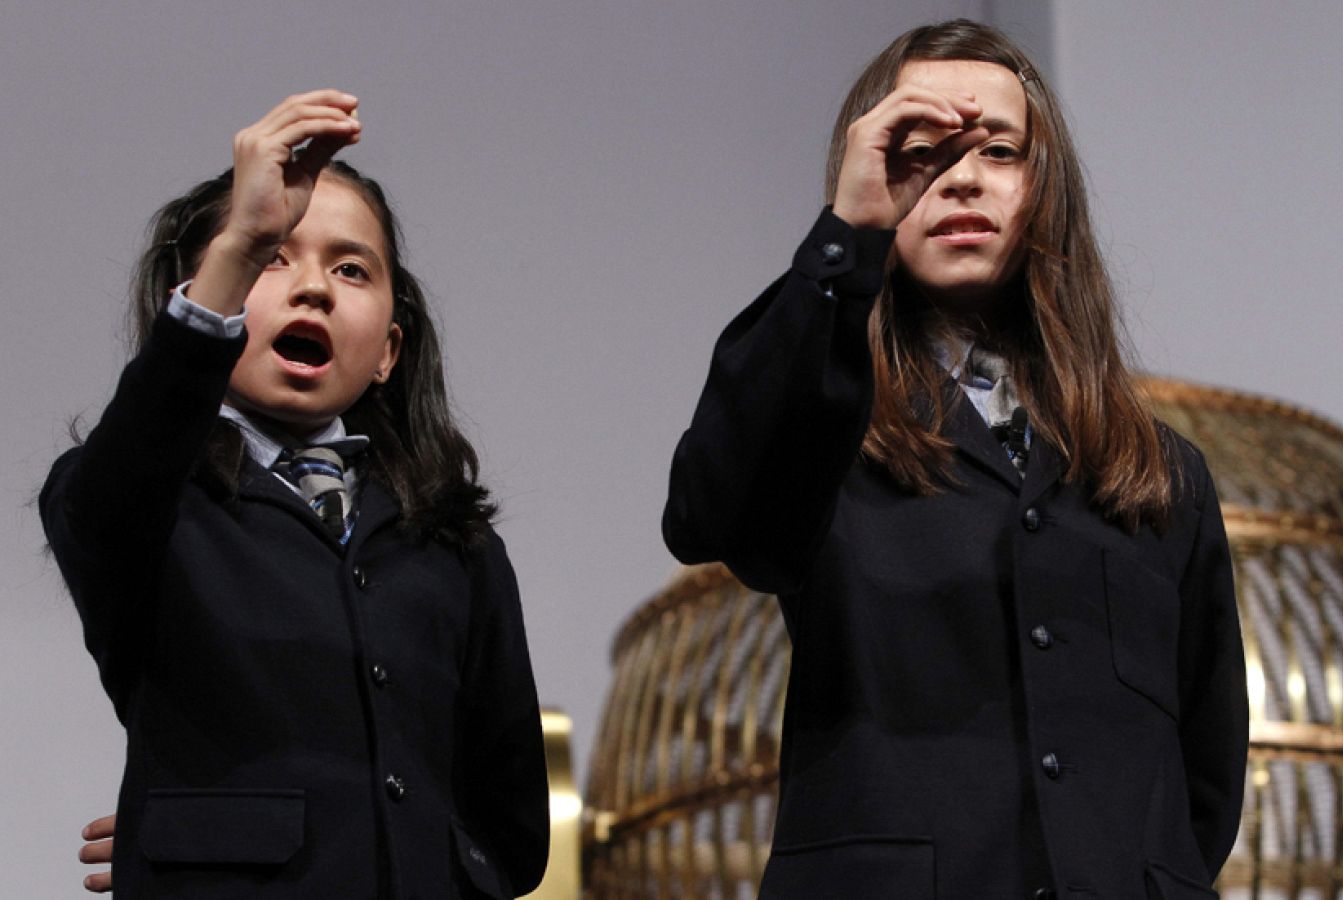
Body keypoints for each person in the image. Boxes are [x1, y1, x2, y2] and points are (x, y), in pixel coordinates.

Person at [663, 20, 1247, 899]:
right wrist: (847, 234)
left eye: (1000, 152)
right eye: (922, 151)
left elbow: (1204, 778)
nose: (962, 176)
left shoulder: (1163, 475)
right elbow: (707, 511)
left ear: (1046, 193)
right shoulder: (823, 425)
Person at [41, 91, 548, 899]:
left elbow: (512, 826)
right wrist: (201, 842)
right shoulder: (136, 498)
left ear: (388, 351)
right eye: (274, 257)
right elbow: (111, 497)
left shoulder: (459, 545)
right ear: (203, 290)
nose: (314, 287)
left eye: (351, 269)